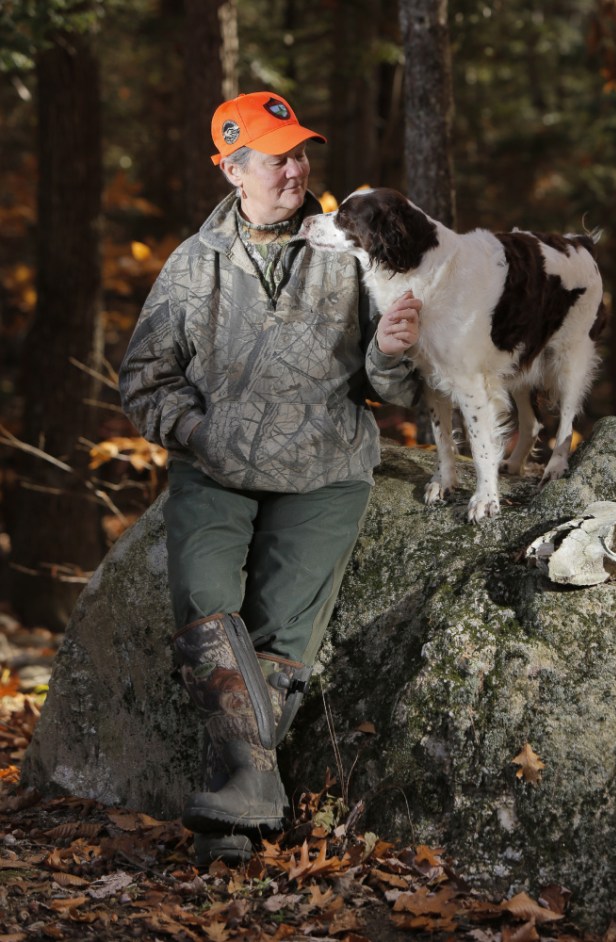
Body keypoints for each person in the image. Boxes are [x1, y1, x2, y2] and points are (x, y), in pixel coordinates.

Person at [119, 91, 422, 867]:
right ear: (232, 169)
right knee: (204, 605)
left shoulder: (349, 249)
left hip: (326, 470)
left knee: (282, 634)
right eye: (276, 158)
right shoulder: (195, 264)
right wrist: (198, 432)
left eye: (300, 154)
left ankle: (233, 812)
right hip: (214, 469)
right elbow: (144, 381)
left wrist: (392, 351)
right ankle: (250, 793)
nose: (296, 170)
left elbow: (396, 389)